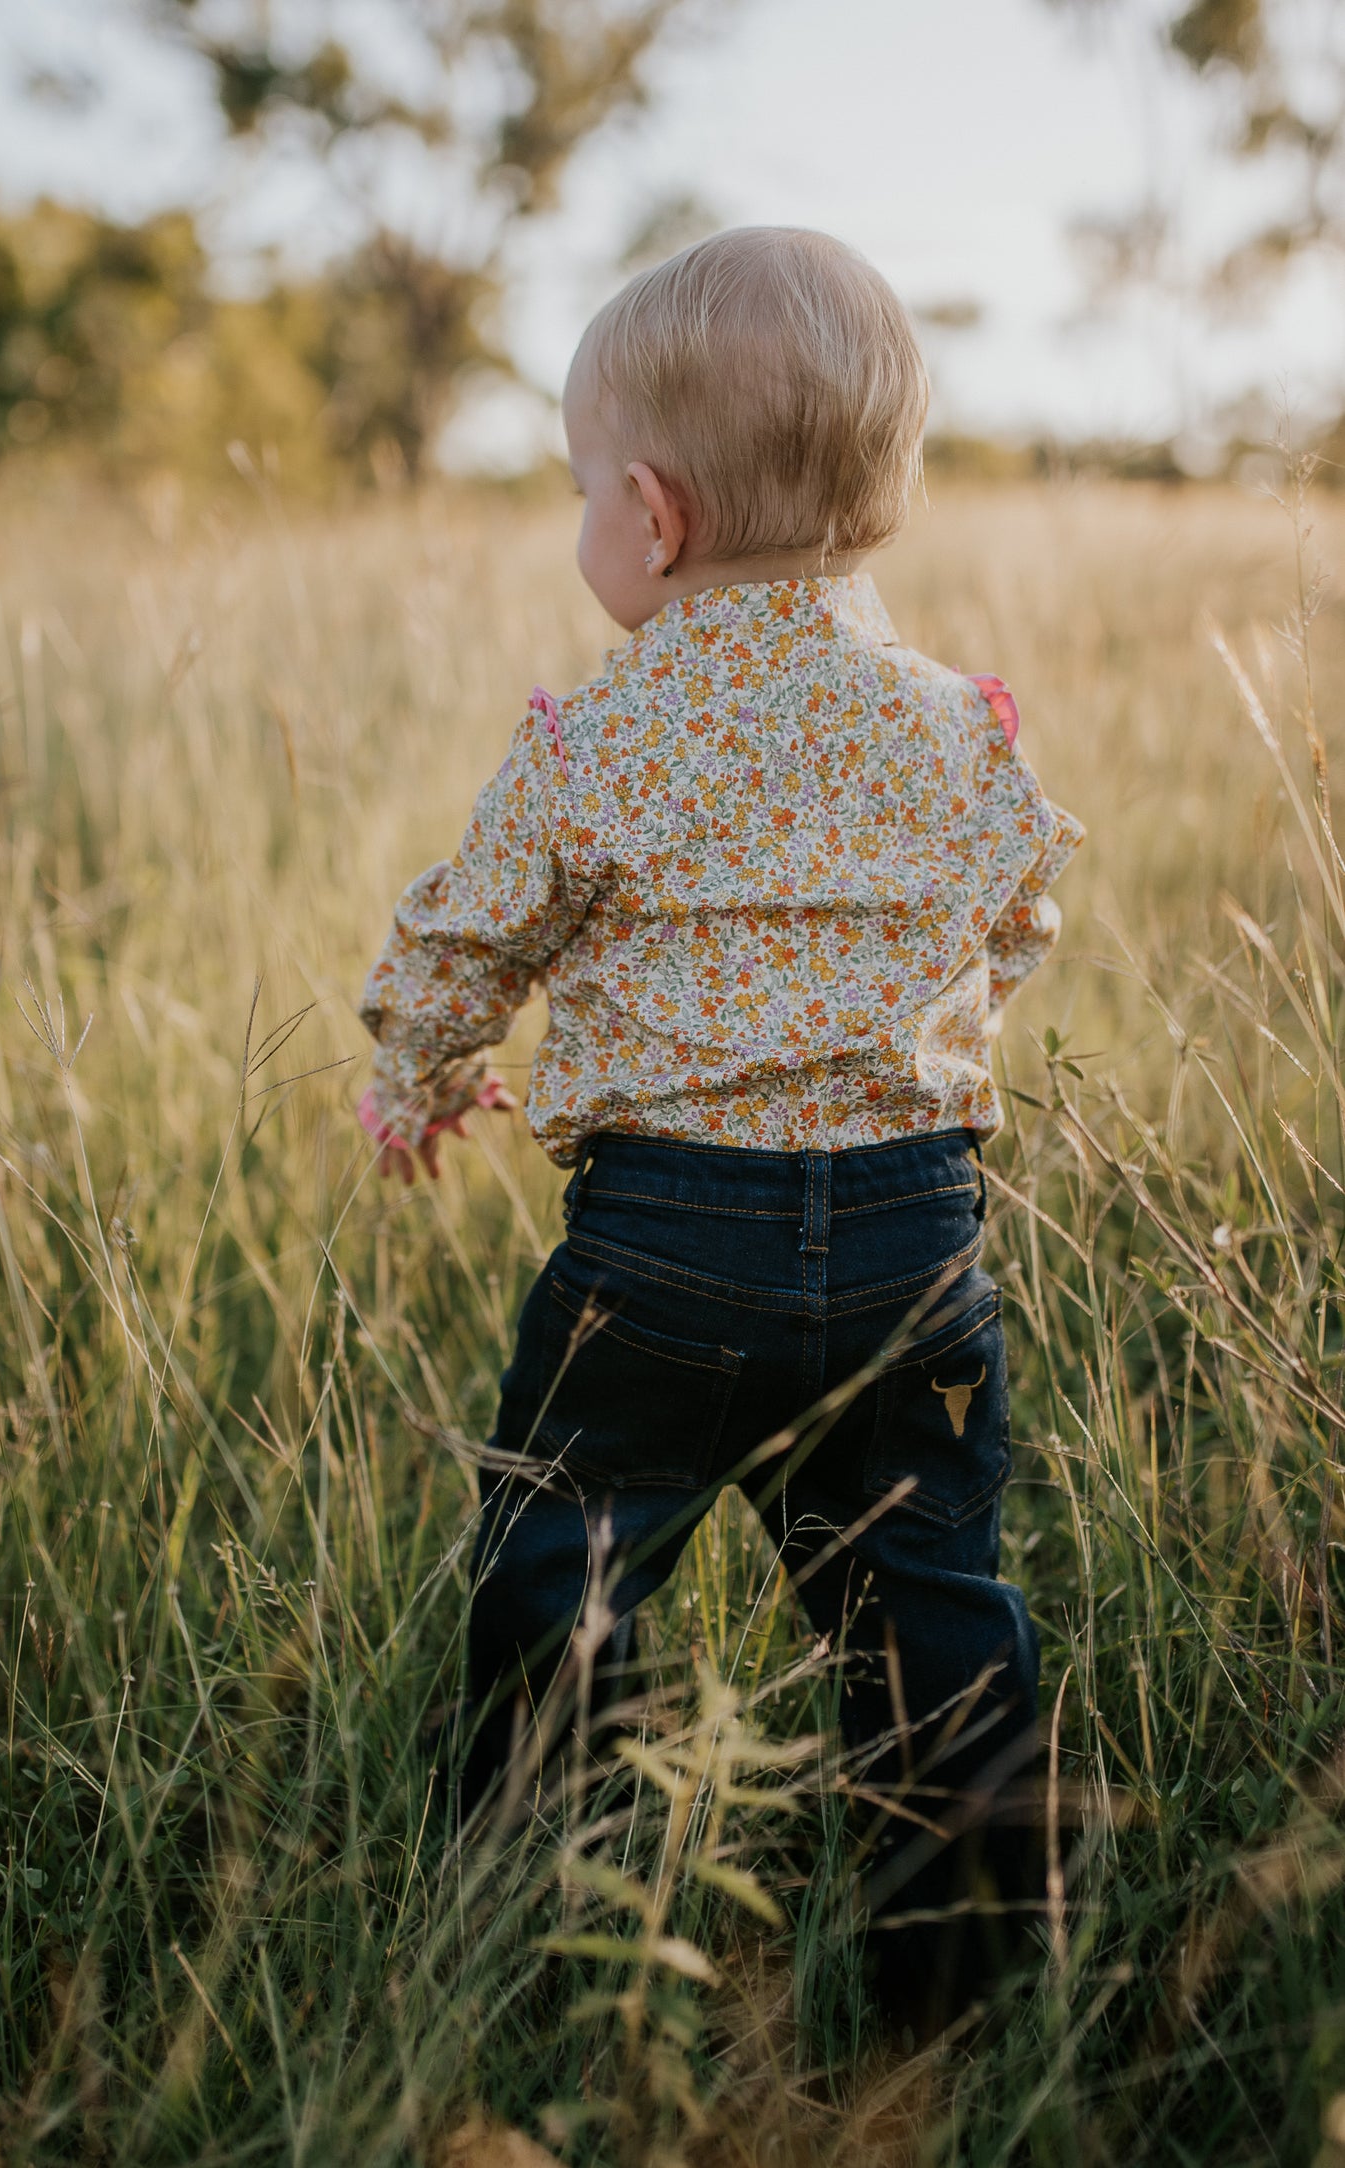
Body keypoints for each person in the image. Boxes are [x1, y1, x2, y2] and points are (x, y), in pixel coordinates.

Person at [357, 227, 1083, 2022]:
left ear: (654, 517)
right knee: (927, 1593)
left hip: (660, 1251)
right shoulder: (954, 728)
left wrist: (415, 1072)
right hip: (916, 1238)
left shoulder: (596, 738)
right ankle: (977, 1980)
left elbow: (469, 938)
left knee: (567, 1572)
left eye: (581, 490)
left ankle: (535, 1936)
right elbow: (1019, 915)